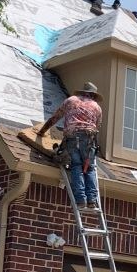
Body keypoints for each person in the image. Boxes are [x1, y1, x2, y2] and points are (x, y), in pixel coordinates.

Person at [36, 82, 103, 210]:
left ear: (82, 92)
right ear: (93, 95)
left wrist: (42, 131)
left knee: (76, 166)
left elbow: (54, 118)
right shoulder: (97, 107)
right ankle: (92, 201)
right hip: (89, 140)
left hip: (72, 138)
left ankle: (81, 200)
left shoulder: (70, 101)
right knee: (89, 169)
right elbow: (97, 126)